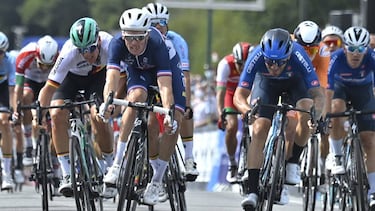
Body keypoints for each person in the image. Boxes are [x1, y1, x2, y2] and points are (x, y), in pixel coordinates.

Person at [100, 8, 185, 205]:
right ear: (123, 35)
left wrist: (169, 113)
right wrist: (107, 102)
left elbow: (165, 86)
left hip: (166, 68)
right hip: (138, 70)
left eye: (139, 38)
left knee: (175, 118)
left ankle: (156, 181)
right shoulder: (116, 44)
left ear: (147, 34)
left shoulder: (158, 44)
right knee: (136, 97)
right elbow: (111, 79)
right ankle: (118, 163)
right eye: (129, 38)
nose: (134, 43)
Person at [233, 28, 325, 209]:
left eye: (280, 62)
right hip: (266, 85)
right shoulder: (256, 55)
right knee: (259, 128)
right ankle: (252, 190)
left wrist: (316, 116)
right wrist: (247, 110)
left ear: (289, 55)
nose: (274, 67)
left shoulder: (299, 55)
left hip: (295, 83)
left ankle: (293, 162)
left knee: (306, 110)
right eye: (270, 62)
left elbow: (318, 95)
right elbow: (239, 95)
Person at [37, 17, 114, 197]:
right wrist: (40, 111)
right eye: (82, 50)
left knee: (98, 116)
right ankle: (66, 173)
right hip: (70, 80)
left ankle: (111, 166)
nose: (87, 54)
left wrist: (113, 102)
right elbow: (48, 88)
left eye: (91, 48)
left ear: (98, 41)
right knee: (56, 114)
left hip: (98, 78)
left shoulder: (110, 44)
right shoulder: (69, 52)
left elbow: (122, 78)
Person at [144, 2, 199, 181]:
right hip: (152, 80)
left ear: (167, 23)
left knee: (182, 111)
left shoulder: (177, 41)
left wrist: (188, 104)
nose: (158, 26)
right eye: (153, 23)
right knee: (150, 123)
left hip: (172, 79)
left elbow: (185, 76)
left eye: (161, 22)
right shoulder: (142, 39)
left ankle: (189, 158)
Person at [325, 26, 375, 208]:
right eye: (351, 49)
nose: (356, 54)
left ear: (366, 49)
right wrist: (327, 115)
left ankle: (373, 191)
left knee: (369, 139)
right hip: (340, 89)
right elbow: (328, 91)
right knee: (336, 109)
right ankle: (337, 155)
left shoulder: (371, 58)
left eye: (361, 49)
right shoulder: (336, 58)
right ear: (344, 48)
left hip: (364, 91)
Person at [291, 21, 331, 191]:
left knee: (310, 114)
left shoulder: (323, 51)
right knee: (289, 127)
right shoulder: (289, 46)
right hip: (290, 80)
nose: (307, 54)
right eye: (304, 49)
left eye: (312, 50)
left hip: (311, 84)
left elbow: (322, 91)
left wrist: (320, 117)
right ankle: (284, 163)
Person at [13, 35, 59, 184]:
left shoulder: (60, 57)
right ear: (36, 56)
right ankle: (28, 145)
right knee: (26, 97)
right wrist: (16, 110)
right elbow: (18, 88)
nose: (44, 68)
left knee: (56, 113)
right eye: (41, 64)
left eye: (48, 66)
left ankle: (54, 158)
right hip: (30, 81)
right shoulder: (25, 55)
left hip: (49, 83)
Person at [216, 42, 252, 183]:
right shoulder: (225, 64)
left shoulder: (255, 64)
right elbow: (220, 92)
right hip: (230, 95)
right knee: (231, 127)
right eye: (239, 64)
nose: (243, 69)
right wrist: (220, 113)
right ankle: (232, 163)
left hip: (248, 94)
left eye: (246, 65)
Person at [0, 31, 16, 190]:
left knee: (4, 122)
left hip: (4, 90)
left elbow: (12, 91)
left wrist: (14, 111)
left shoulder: (10, 61)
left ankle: (7, 174)